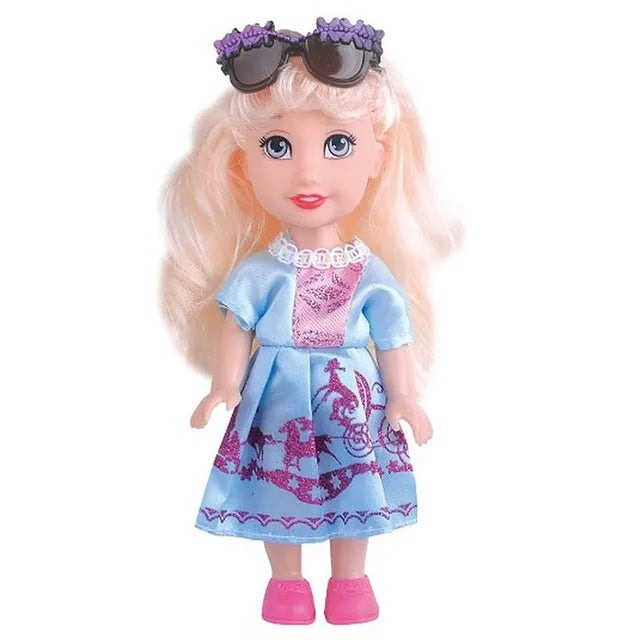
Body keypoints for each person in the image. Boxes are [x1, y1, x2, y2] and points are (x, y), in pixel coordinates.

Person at [161, 16, 458, 625]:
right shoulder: (260, 273)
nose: (307, 173)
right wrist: (224, 386)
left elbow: (392, 335)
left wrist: (404, 396)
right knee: (279, 485)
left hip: (351, 399)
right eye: (277, 146)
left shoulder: (370, 271)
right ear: (243, 164)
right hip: (276, 400)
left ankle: (350, 582)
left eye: (338, 145)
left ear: (377, 158)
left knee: (355, 482)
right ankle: (287, 584)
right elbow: (237, 329)